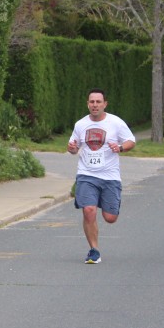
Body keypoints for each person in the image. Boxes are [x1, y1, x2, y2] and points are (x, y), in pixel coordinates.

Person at [66, 89, 136, 264]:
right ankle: (94, 251)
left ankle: (106, 202)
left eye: (98, 102)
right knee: (89, 211)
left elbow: (131, 141)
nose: (95, 105)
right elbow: (74, 147)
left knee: (110, 218)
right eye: (92, 102)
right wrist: (72, 148)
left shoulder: (115, 122)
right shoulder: (80, 124)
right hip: (86, 174)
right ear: (87, 104)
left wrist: (120, 148)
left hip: (110, 176)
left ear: (105, 104)